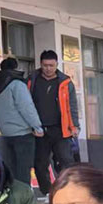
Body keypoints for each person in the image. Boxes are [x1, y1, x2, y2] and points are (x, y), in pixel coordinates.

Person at [0, 57, 43, 185]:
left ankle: (12, 194)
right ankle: (23, 195)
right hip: (23, 133)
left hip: (6, 133)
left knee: (11, 170)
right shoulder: (16, 84)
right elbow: (26, 107)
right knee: (23, 171)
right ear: (16, 68)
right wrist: (37, 126)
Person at [29, 50, 80, 193]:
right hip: (39, 131)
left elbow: (72, 106)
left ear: (57, 64)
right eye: (45, 65)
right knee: (40, 164)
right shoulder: (32, 80)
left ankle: (69, 191)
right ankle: (47, 192)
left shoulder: (65, 82)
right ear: (40, 64)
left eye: (51, 65)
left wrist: (75, 126)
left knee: (66, 162)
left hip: (61, 129)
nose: (48, 68)